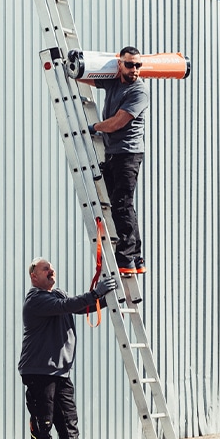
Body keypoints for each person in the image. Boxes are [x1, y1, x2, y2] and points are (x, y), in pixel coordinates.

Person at [18, 257, 117, 439]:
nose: (51, 271)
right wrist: (95, 293)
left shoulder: (58, 294)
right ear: (34, 276)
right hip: (39, 370)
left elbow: (79, 307)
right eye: (46, 269)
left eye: (52, 268)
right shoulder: (35, 299)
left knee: (68, 418)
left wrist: (108, 300)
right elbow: (67, 306)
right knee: (43, 419)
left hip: (60, 370)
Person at [87, 46, 149, 276]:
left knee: (122, 203)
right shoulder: (114, 83)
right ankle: (136, 257)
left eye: (138, 65)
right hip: (113, 152)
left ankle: (126, 256)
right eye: (130, 64)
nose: (135, 70)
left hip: (128, 153)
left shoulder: (138, 91)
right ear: (120, 64)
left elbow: (117, 123)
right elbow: (89, 78)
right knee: (118, 203)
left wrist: (94, 128)